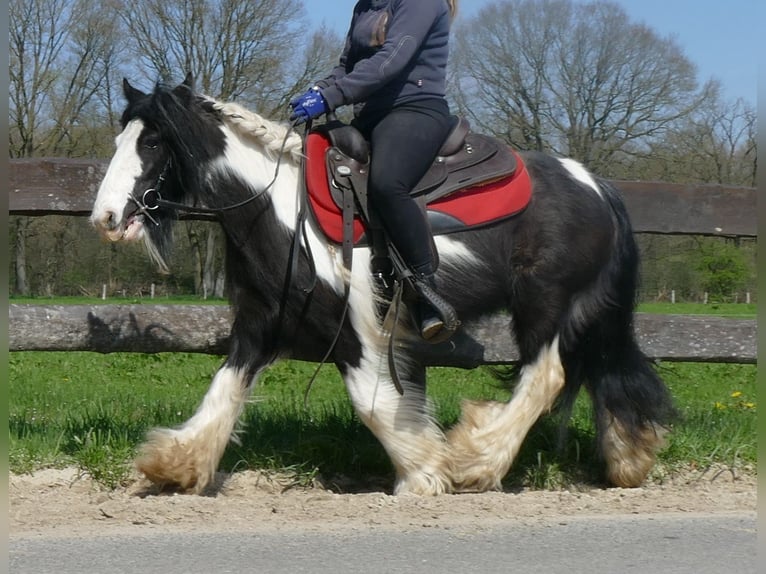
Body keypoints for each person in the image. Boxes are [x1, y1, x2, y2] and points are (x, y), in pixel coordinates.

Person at [289, 0, 459, 342]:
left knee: (386, 183)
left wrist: (333, 97)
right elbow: (346, 66)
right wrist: (319, 89)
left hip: (415, 109)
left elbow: (391, 61)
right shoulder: (364, 6)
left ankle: (426, 290)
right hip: (370, 116)